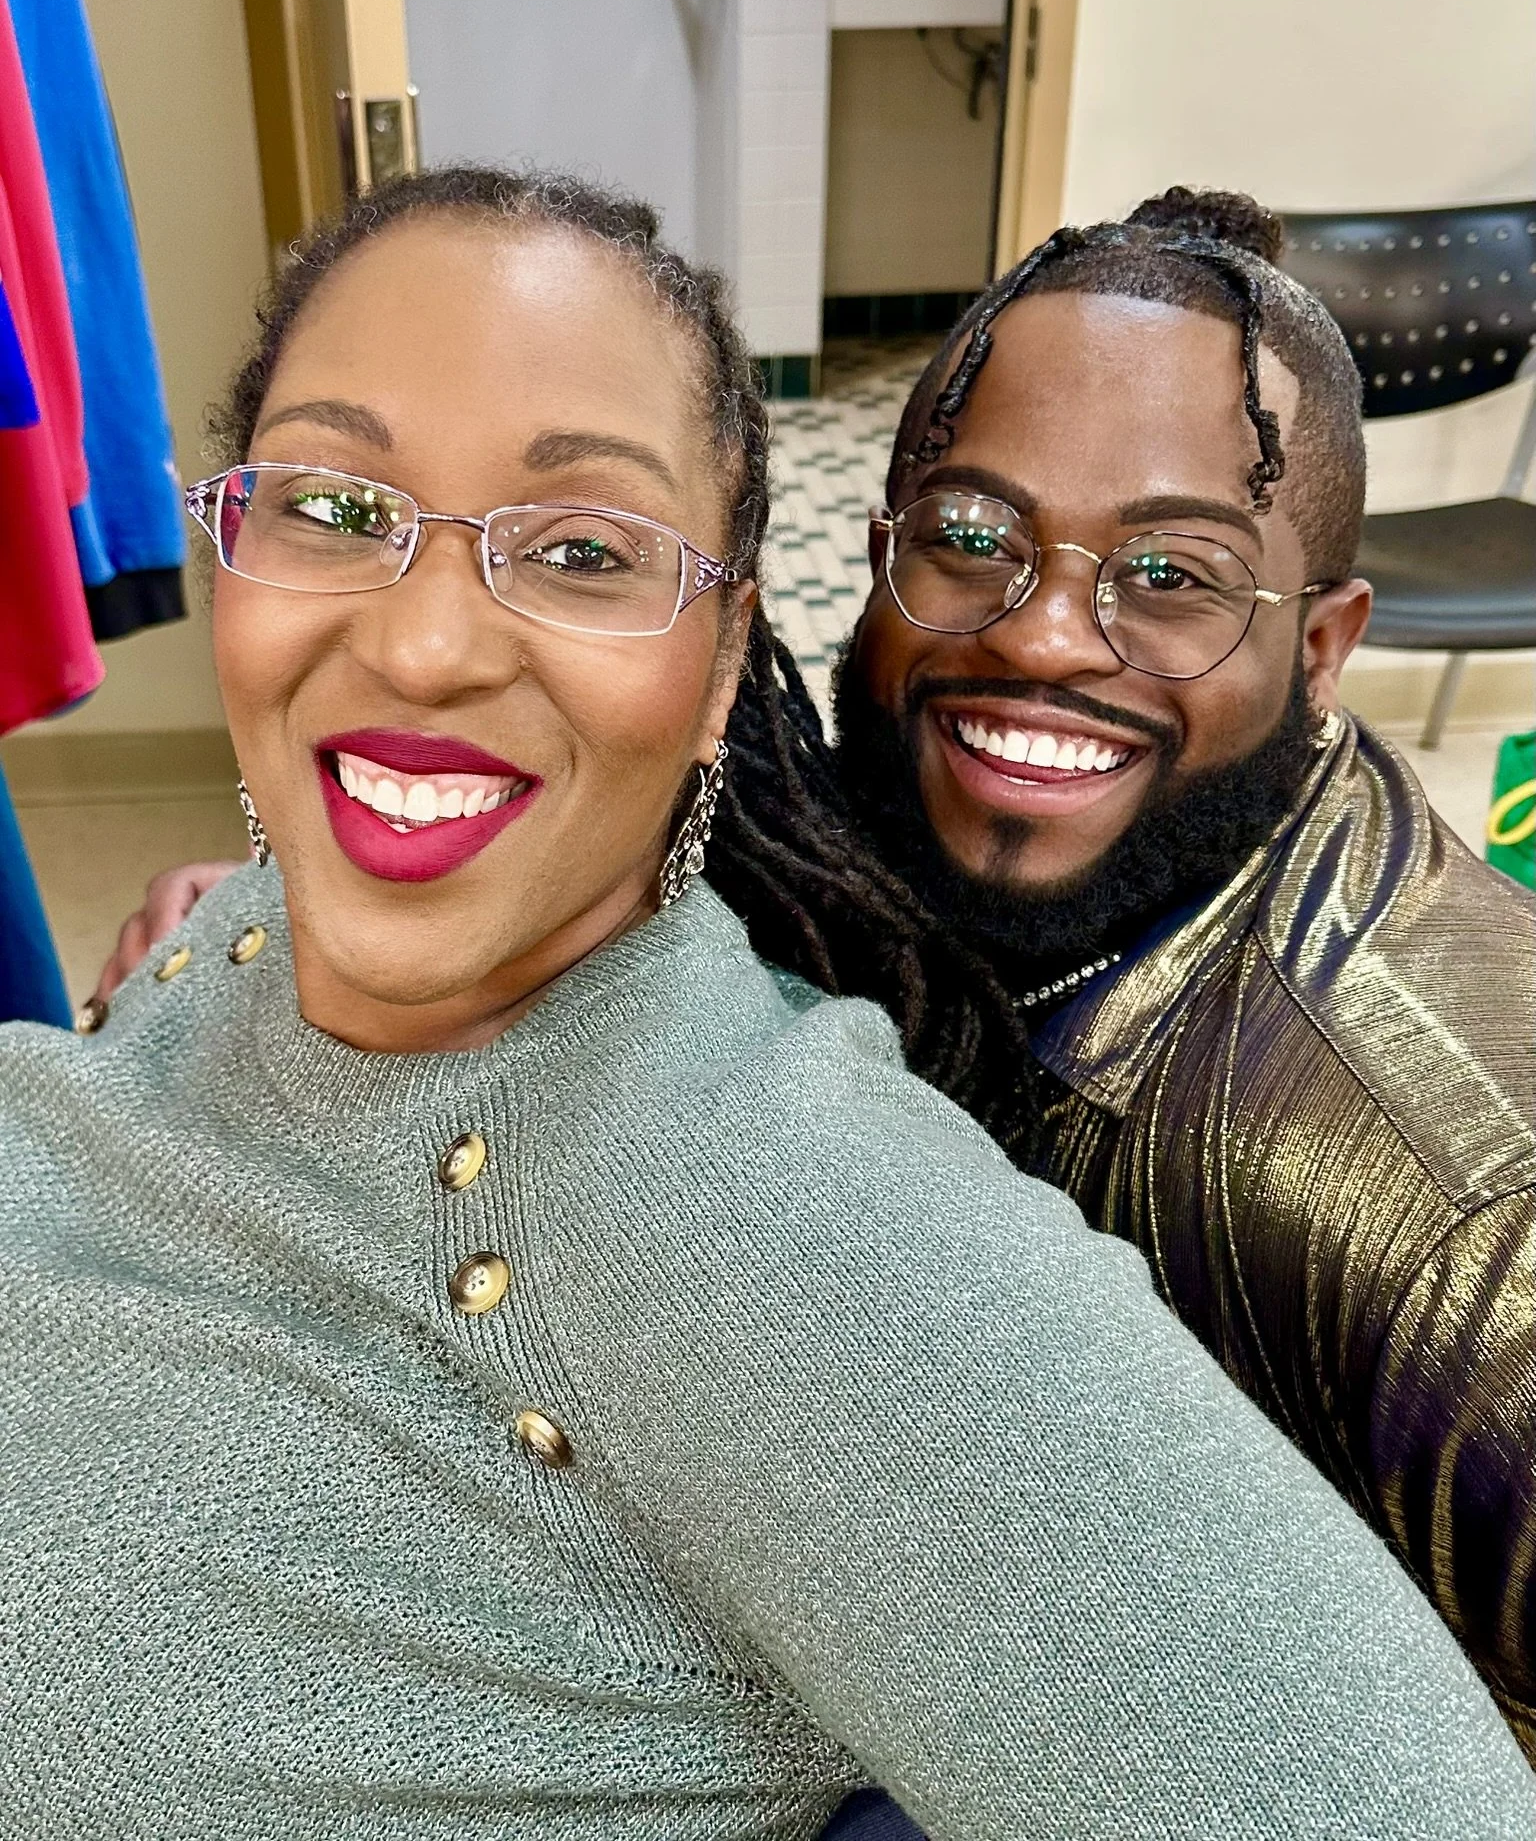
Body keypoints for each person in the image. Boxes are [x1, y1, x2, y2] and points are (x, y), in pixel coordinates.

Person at [57, 167, 1536, 1840]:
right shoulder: (833, 838)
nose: (1044, 638)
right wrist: (237, 948)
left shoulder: (1461, 1203)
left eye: (587, 549)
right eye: (969, 541)